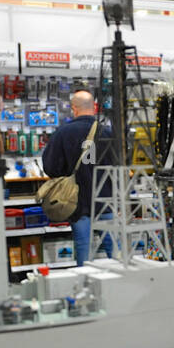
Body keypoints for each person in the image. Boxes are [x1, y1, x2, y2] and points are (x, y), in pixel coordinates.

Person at [41, 89, 110, 264]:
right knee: (114, 250)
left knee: (83, 251)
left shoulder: (63, 133)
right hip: (106, 201)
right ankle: (121, 287)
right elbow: (121, 166)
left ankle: (86, 287)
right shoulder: (108, 133)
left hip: (76, 203)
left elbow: (50, 167)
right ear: (94, 107)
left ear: (74, 108)